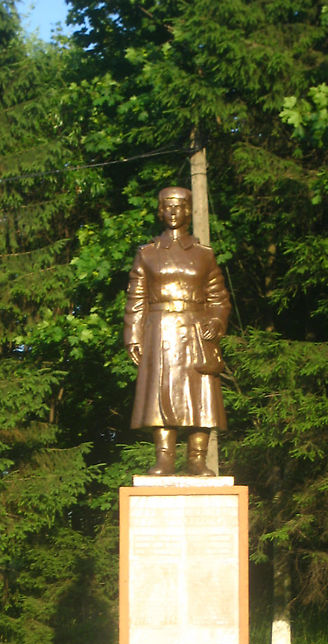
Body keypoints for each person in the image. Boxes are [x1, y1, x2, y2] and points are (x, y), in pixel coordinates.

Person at [124, 186, 230, 476]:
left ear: (188, 211)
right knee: (162, 394)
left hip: (197, 331)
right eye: (167, 206)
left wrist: (217, 323)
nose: (173, 211)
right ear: (160, 210)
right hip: (159, 331)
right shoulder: (147, 253)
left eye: (179, 206)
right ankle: (165, 459)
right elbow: (136, 298)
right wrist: (133, 335)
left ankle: (197, 459)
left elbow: (219, 298)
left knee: (200, 397)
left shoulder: (204, 254)